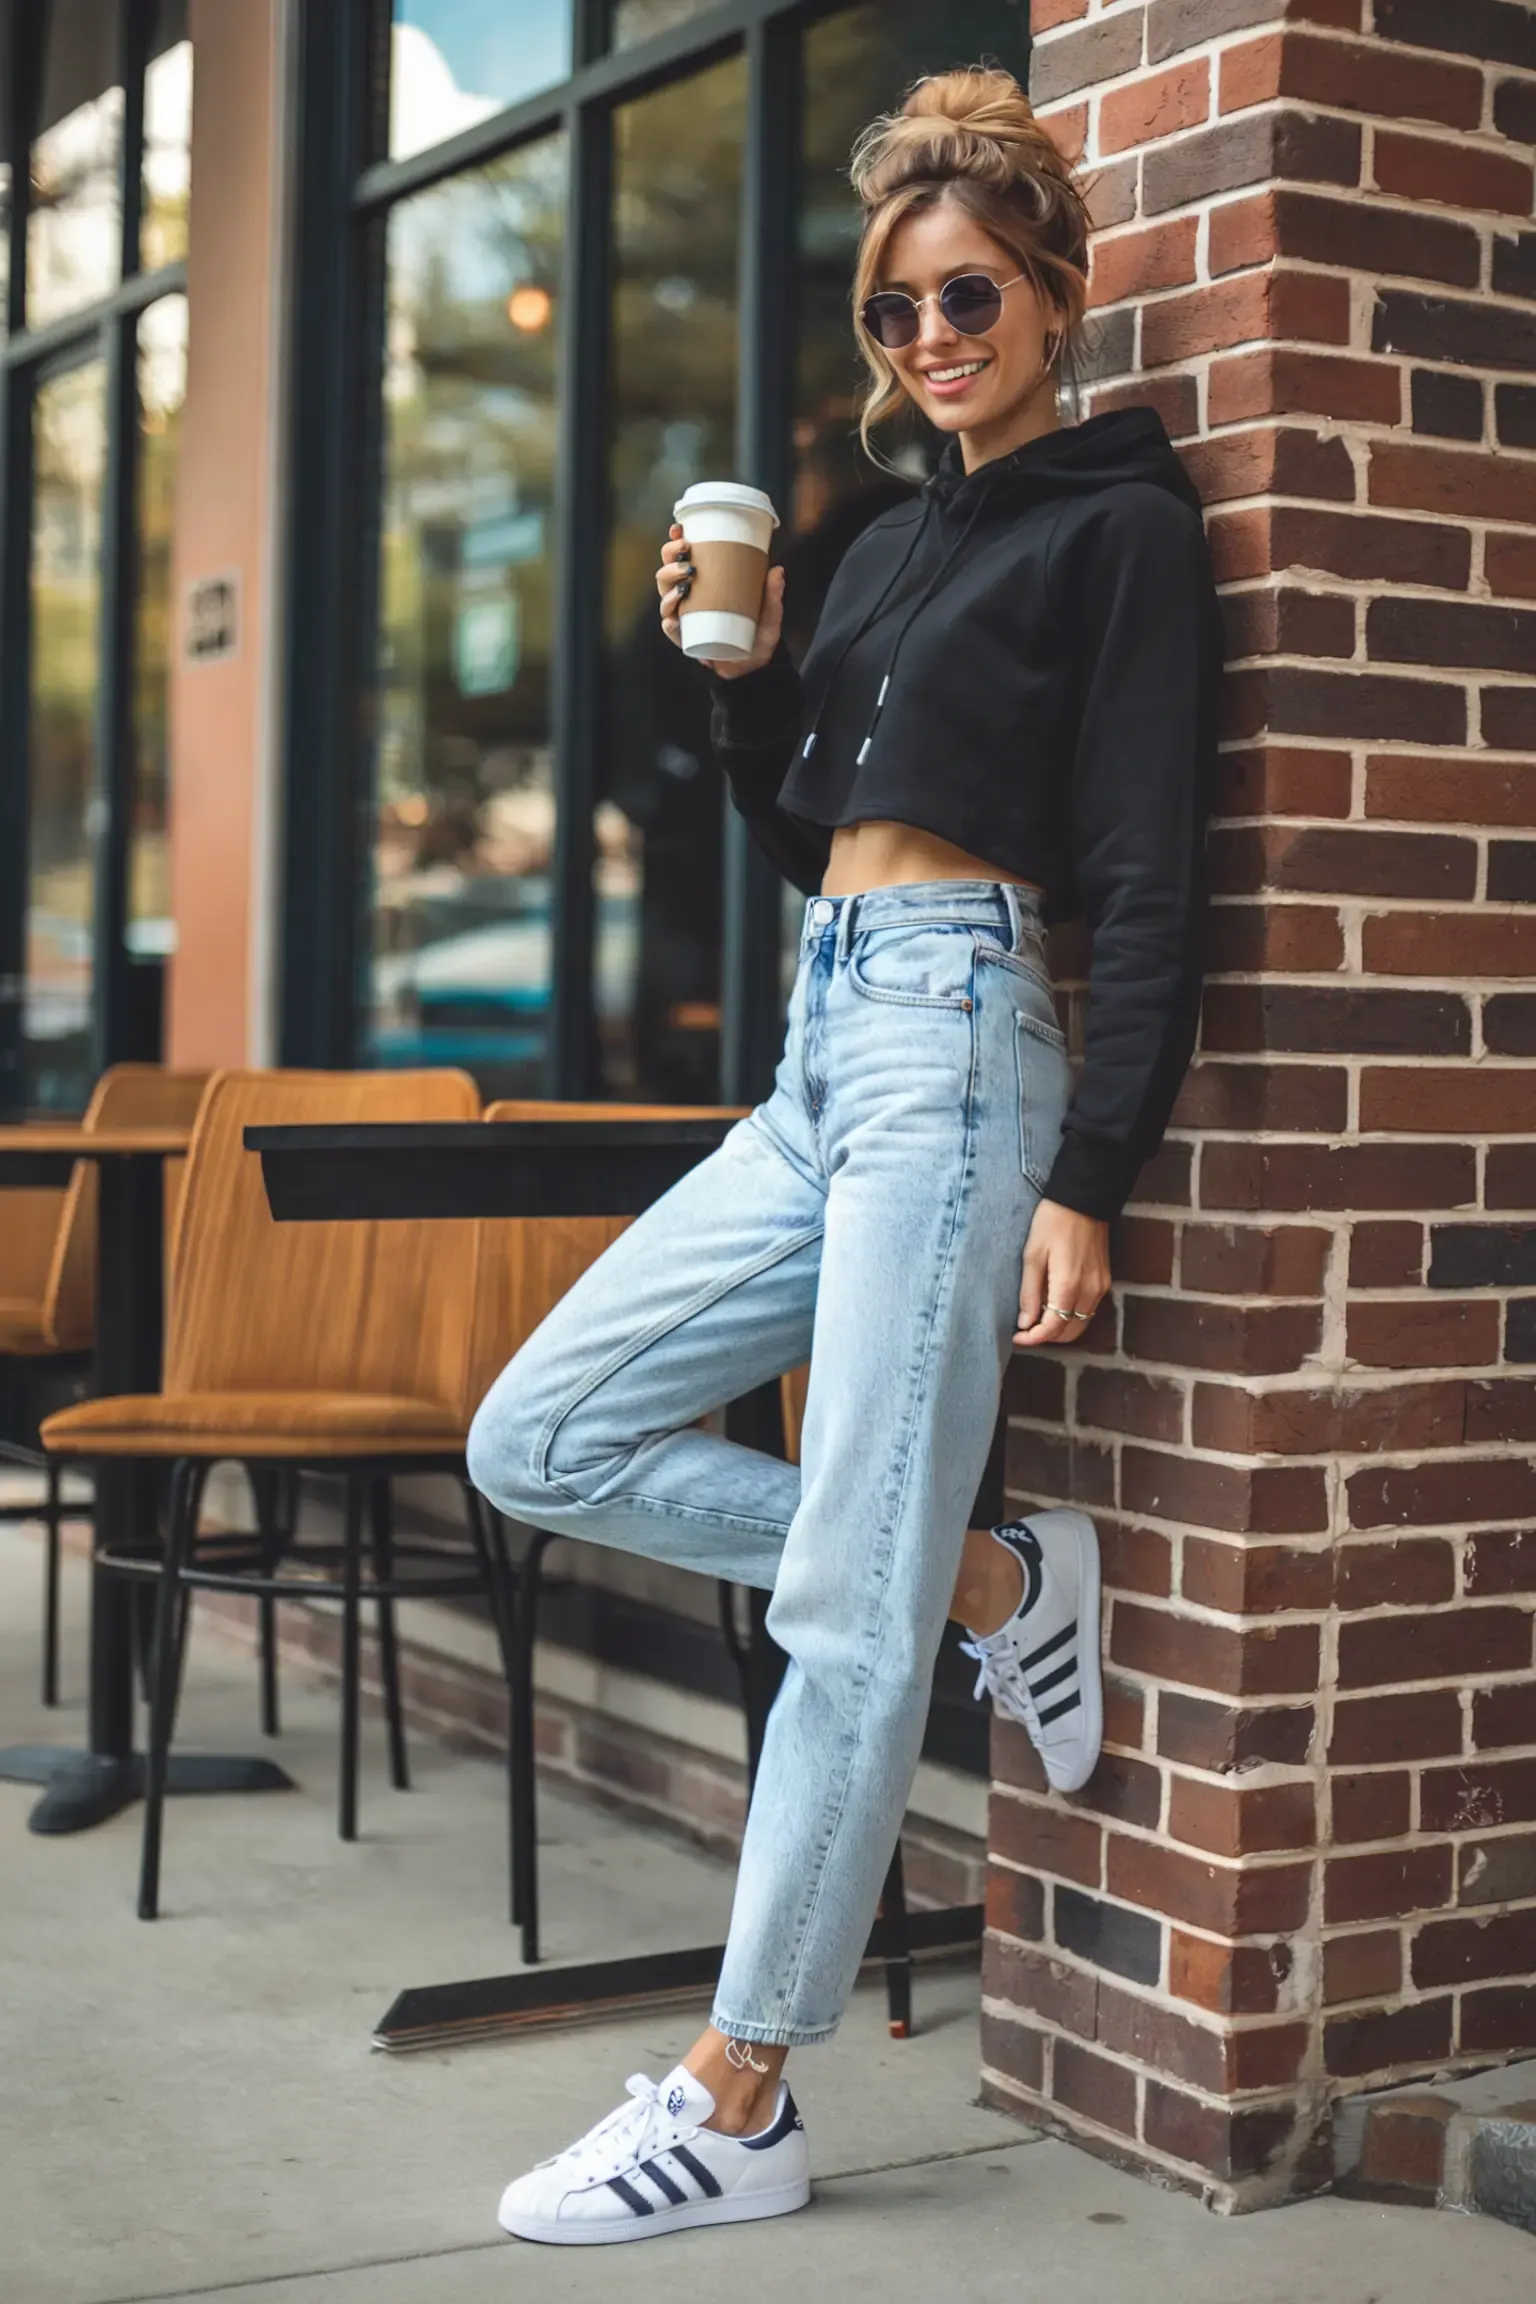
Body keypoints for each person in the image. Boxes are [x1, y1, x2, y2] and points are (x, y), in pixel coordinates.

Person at [469, 63, 1222, 2248]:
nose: (930, 342)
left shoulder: (1122, 531)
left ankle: (742, 2091)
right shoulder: (892, 540)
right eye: (894, 314)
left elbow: (1152, 875)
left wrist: (1095, 1172)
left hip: (970, 1042)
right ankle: (990, 1580)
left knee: (836, 1613)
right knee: (541, 1431)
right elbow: (815, 833)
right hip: (820, 1044)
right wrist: (738, 683)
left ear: (1055, 294)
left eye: (966, 294)